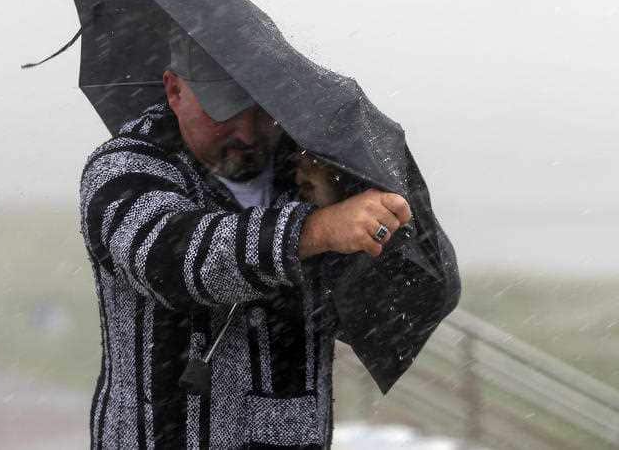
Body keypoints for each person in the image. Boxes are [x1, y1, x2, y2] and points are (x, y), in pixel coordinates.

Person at [78, 36, 412, 449]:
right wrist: (315, 230)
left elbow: (372, 314)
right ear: (175, 90)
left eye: (262, 111)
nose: (248, 133)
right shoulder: (122, 169)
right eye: (226, 112)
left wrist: (349, 226)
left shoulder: (315, 169)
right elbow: (169, 259)